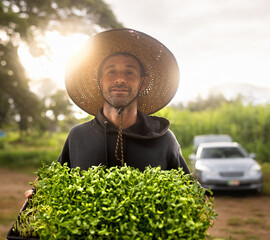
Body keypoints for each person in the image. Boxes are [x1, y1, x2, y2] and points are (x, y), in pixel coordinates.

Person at [25, 28, 189, 199]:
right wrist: (39, 195)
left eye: (129, 72)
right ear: (100, 81)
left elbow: (188, 194)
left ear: (143, 82)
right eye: (111, 72)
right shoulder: (78, 137)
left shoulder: (163, 139)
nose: (120, 79)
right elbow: (55, 187)